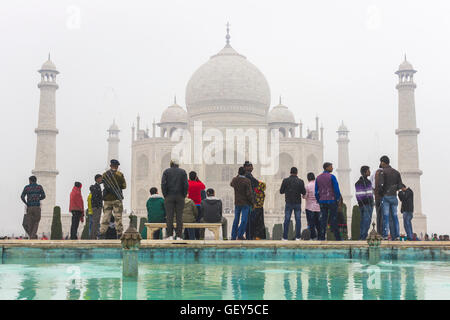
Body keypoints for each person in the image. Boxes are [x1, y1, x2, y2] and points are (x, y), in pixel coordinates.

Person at [376, 155, 403, 240]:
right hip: (394, 197)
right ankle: (397, 235)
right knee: (395, 216)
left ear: (383, 162)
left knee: (386, 216)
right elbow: (400, 186)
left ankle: (385, 235)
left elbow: (380, 185)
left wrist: (381, 194)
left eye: (381, 162)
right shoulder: (396, 172)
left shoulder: (382, 172)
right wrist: (394, 189)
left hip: (386, 197)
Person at [161, 159, 189, 240]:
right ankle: (179, 236)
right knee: (179, 217)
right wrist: (183, 195)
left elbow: (163, 184)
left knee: (169, 216)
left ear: (171, 164)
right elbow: (186, 185)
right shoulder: (182, 172)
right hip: (180, 196)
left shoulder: (166, 171)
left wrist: (165, 194)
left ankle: (170, 235)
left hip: (169, 196)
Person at [100, 159, 127, 239]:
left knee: (106, 217)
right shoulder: (120, 174)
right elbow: (124, 186)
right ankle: (119, 233)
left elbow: (104, 184)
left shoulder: (105, 175)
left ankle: (102, 233)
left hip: (107, 199)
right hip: (116, 199)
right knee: (118, 217)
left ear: (110, 165)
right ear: (117, 166)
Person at [315, 162, 342, 241]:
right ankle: (338, 238)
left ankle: (322, 237)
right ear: (326, 168)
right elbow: (336, 190)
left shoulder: (318, 178)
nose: (332, 168)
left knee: (323, 220)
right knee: (333, 219)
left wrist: (318, 200)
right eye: (331, 167)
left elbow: (316, 191)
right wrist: (337, 199)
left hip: (322, 201)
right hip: (331, 201)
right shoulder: (332, 177)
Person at [280, 167, 306, 241]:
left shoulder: (285, 181)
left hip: (288, 202)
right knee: (298, 220)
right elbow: (304, 192)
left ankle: (285, 237)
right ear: (297, 172)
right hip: (297, 203)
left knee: (287, 220)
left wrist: (287, 190)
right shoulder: (300, 181)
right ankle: (298, 237)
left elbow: (281, 191)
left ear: (290, 172)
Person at [230, 167, 254, 240]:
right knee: (244, 220)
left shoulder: (235, 180)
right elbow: (249, 194)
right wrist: (252, 202)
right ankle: (240, 234)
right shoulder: (247, 181)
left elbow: (231, 184)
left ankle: (233, 236)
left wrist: (237, 176)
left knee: (236, 220)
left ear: (238, 172)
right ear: (245, 173)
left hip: (237, 203)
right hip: (245, 203)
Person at [355, 166, 374, 240]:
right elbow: (369, 195)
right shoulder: (368, 182)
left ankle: (362, 237)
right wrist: (372, 203)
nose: (369, 172)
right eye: (368, 171)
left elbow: (358, 195)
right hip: (368, 205)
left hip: (361, 205)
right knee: (366, 222)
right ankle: (363, 237)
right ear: (365, 172)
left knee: (363, 222)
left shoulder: (357, 183)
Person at [187, 171, 206, 239]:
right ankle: (197, 237)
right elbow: (204, 186)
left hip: (189, 205)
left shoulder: (187, 183)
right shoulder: (198, 184)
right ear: (196, 177)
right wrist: (198, 180)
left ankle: (190, 237)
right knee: (197, 221)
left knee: (189, 221)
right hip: (197, 205)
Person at [243, 161, 259, 239]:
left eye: (252, 166)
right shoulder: (247, 176)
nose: (252, 168)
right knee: (249, 220)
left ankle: (248, 235)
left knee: (247, 219)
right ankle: (249, 236)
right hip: (249, 201)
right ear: (245, 167)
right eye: (250, 166)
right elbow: (256, 183)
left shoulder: (247, 175)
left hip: (247, 200)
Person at [303, 172, 320, 240]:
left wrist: (303, 196)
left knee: (311, 224)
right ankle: (320, 237)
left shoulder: (307, 186)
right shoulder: (318, 186)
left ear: (308, 178)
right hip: (318, 207)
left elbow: (305, 196)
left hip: (309, 208)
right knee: (318, 223)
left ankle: (313, 237)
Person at [370, 165, 384, 234]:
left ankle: (379, 232)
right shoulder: (385, 172)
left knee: (379, 215)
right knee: (385, 216)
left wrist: (374, 194)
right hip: (384, 197)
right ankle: (384, 233)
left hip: (377, 197)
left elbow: (372, 186)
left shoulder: (374, 173)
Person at [89, 174, 103, 240]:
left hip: (96, 206)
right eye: (100, 178)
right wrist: (98, 206)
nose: (101, 180)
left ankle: (93, 236)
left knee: (96, 222)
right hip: (96, 207)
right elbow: (95, 198)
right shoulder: (96, 187)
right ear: (97, 179)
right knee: (95, 222)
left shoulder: (97, 186)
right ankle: (93, 237)